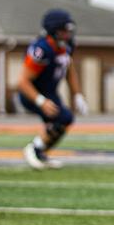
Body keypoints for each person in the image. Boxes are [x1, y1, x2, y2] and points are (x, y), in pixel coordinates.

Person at [18, 9, 88, 170]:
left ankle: (41, 153)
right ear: (54, 30)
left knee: (65, 120)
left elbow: (69, 69)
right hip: (32, 93)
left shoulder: (65, 47)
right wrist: (40, 101)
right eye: (64, 30)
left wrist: (77, 95)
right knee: (62, 118)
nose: (67, 34)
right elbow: (23, 82)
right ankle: (34, 148)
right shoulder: (42, 50)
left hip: (50, 93)